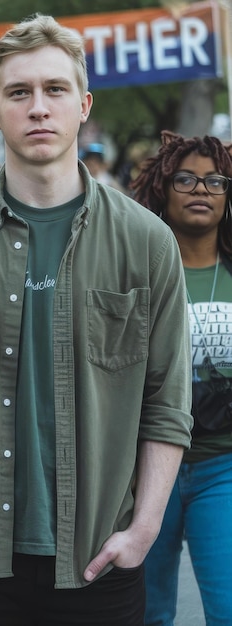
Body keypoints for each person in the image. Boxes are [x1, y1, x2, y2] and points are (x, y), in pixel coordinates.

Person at [0, 13, 193, 626]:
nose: (39, 108)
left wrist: (144, 529)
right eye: (19, 93)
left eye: (54, 90)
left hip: (99, 556)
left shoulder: (148, 241)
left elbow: (166, 401)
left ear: (82, 105)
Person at [131, 131, 232, 626]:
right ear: (162, 189)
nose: (201, 189)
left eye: (215, 180)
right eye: (186, 178)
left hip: (224, 467)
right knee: (147, 612)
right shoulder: (134, 268)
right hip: (145, 468)